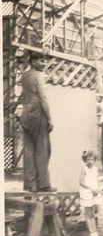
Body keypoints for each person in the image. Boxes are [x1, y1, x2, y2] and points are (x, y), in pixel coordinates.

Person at [20, 51, 55, 192]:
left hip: (25, 113)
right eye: (41, 61)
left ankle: (31, 184)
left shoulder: (24, 76)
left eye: (44, 61)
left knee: (29, 150)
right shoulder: (39, 76)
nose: (44, 64)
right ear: (33, 62)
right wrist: (49, 118)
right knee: (42, 149)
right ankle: (43, 184)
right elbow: (43, 98)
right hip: (37, 113)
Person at [79, 150, 102, 236]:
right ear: (85, 160)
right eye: (88, 159)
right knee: (88, 214)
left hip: (94, 192)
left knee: (92, 214)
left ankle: (95, 234)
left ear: (94, 160)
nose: (90, 161)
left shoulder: (95, 169)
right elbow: (81, 182)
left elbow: (97, 180)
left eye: (92, 159)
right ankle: (92, 235)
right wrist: (91, 189)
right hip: (87, 192)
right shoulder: (84, 168)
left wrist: (98, 189)